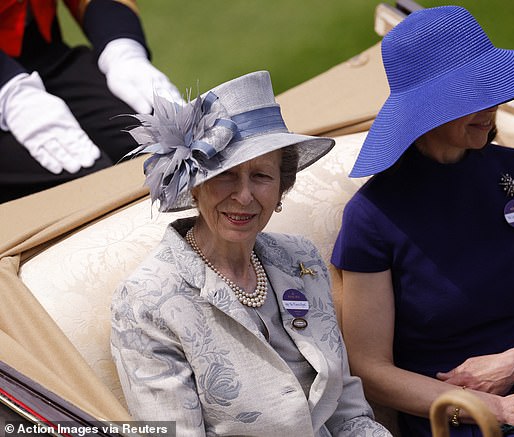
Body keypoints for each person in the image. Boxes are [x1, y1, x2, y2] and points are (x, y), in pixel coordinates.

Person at [330, 6, 514, 437]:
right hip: (459, 413)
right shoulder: (372, 216)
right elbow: (371, 369)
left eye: (491, 87)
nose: (491, 105)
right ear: (424, 112)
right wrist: (498, 406)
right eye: (468, 96)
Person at [111, 70, 392, 437]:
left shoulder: (300, 259)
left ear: (281, 189)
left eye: (261, 176)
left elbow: (348, 413)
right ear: (195, 188)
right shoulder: (145, 300)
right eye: (225, 175)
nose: (244, 196)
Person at [0, 0, 180, 203]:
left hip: (45, 51)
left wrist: (121, 47)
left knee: (164, 144)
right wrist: (8, 90)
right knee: (87, 185)